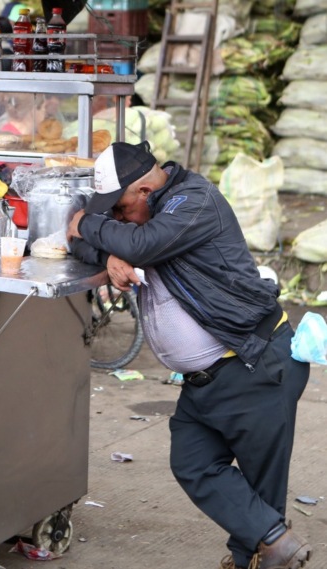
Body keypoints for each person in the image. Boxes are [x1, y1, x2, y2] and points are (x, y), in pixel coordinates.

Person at [66, 141, 312, 569]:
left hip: (253, 364)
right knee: (193, 461)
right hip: (206, 379)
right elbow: (85, 246)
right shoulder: (141, 220)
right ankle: (272, 542)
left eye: (120, 209)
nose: (117, 218)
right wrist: (107, 251)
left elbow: (140, 243)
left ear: (144, 191)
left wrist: (84, 223)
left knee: (260, 484)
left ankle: (255, 556)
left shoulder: (195, 201)